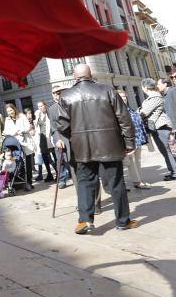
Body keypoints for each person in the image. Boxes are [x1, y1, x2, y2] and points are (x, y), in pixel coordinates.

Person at [55, 64, 138, 234]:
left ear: (74, 77)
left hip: (82, 148)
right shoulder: (107, 90)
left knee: (85, 183)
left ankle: (85, 220)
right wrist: (129, 142)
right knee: (116, 184)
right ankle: (123, 221)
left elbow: (62, 125)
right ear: (90, 75)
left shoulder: (66, 96)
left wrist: (77, 135)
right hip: (110, 145)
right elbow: (124, 118)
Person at [139, 78, 176, 181]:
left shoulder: (154, 97)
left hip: (160, 127)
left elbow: (144, 112)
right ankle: (173, 171)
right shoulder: (153, 97)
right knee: (164, 151)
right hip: (157, 127)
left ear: (145, 87)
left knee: (166, 151)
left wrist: (138, 112)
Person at [116, 90, 150, 189]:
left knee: (137, 160)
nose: (124, 99)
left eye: (125, 97)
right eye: (121, 97)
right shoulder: (118, 111)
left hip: (137, 137)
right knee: (131, 161)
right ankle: (137, 181)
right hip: (128, 140)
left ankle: (139, 180)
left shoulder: (129, 108)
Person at [4, 103, 35, 190]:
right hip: (15, 144)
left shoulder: (22, 116)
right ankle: (20, 181)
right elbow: (6, 131)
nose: (10, 112)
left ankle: (29, 181)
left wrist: (20, 130)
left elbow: (28, 127)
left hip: (25, 142)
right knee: (19, 163)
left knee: (28, 163)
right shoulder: (7, 120)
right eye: (8, 111)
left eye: (11, 110)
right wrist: (14, 133)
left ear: (14, 109)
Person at [49, 86, 74, 188]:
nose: (56, 94)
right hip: (60, 138)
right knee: (60, 160)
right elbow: (53, 127)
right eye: (54, 93)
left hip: (74, 137)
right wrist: (57, 139)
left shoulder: (71, 103)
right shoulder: (51, 109)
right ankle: (62, 180)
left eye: (59, 92)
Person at [34, 101, 56, 182]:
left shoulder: (49, 113)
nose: (40, 108)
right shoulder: (38, 115)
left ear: (45, 106)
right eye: (38, 106)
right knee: (45, 157)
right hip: (42, 138)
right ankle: (49, 174)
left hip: (50, 137)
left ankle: (59, 173)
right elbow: (37, 126)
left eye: (41, 106)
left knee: (54, 156)